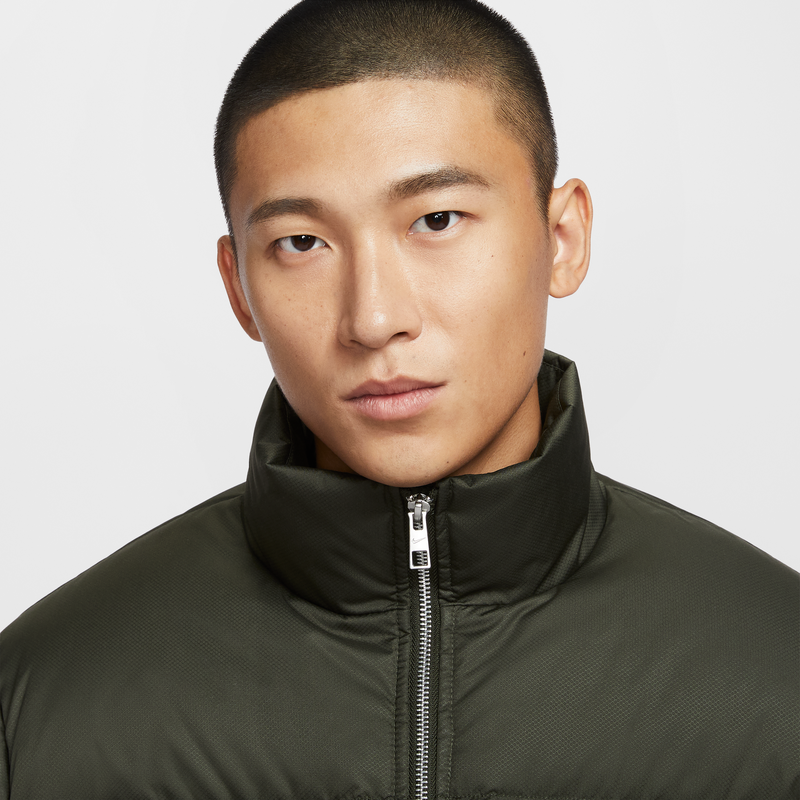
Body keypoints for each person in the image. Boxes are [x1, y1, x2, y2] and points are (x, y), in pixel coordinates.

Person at [1, 0, 797, 797]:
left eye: (437, 220)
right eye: (301, 243)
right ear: (239, 288)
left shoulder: (775, 675)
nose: (374, 318)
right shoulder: (41, 708)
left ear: (562, 240)